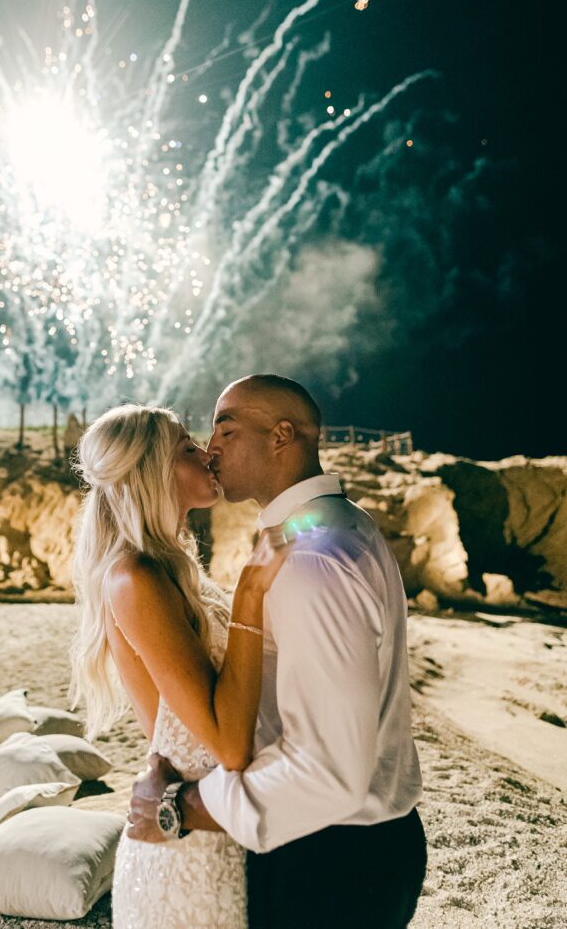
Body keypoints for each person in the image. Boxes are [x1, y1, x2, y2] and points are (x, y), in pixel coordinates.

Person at [127, 374, 427, 929]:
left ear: (281, 436)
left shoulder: (311, 560)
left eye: (227, 428)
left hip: (332, 860)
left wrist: (178, 809)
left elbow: (329, 772)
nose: (211, 446)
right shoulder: (333, 525)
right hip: (348, 848)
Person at [70, 403, 289, 929]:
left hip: (213, 825)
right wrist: (251, 595)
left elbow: (168, 728)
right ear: (150, 471)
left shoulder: (174, 568)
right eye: (187, 449)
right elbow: (226, 744)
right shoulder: (135, 578)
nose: (207, 454)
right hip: (190, 847)